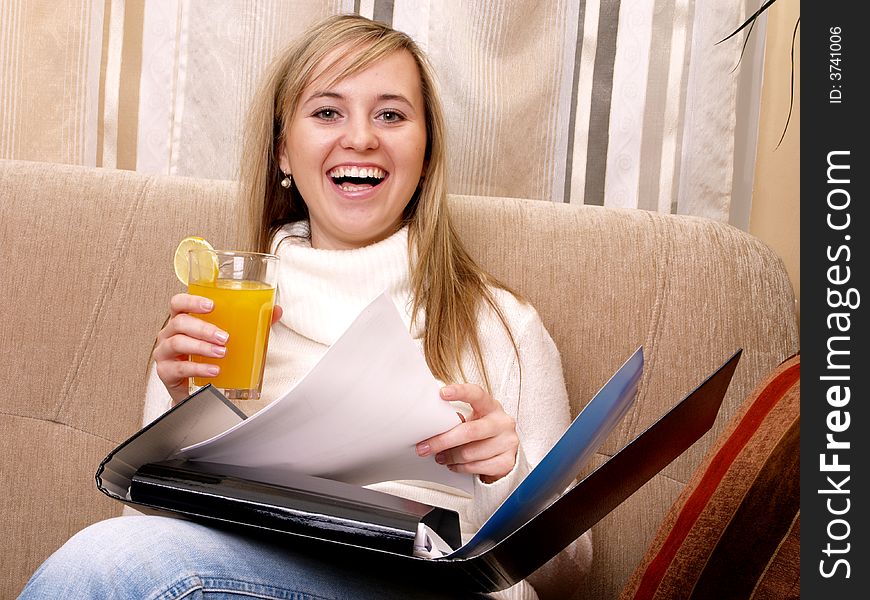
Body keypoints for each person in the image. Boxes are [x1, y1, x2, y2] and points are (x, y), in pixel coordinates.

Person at [19, 14, 591, 600]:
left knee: (109, 562)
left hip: (434, 587)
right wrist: (179, 415)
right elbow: (145, 539)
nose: (362, 138)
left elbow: (571, 574)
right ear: (284, 154)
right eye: (326, 112)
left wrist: (505, 474)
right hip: (237, 585)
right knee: (115, 560)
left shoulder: (503, 325)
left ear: (426, 153)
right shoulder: (219, 318)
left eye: (391, 114)